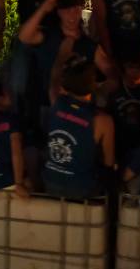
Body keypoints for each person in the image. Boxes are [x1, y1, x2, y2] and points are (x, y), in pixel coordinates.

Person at [42, 58, 115, 199]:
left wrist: (67, 46)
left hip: (50, 183)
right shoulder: (103, 120)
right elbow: (109, 163)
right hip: (82, 189)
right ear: (94, 86)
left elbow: (55, 73)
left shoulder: (56, 101)